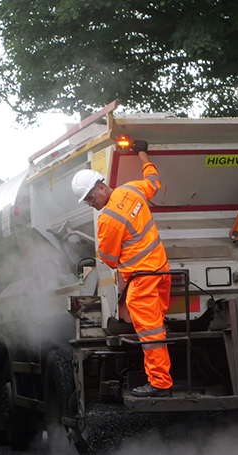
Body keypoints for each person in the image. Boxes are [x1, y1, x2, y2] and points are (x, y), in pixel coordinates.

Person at [72, 140, 173, 398]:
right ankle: (161, 372)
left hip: (142, 281)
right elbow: (154, 180)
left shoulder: (108, 221)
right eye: (86, 200)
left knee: (150, 332)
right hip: (162, 271)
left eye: (91, 197)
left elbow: (108, 258)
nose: (90, 203)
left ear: (101, 185)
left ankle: (160, 383)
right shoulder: (132, 191)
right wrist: (142, 152)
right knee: (157, 329)